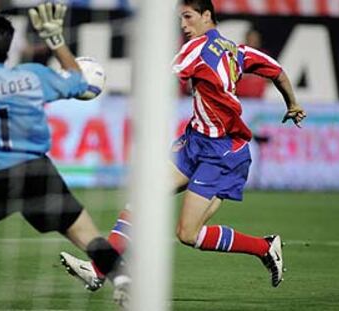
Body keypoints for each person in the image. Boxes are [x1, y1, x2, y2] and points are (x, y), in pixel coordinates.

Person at [60, 0, 306, 290]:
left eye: (188, 17)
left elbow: (160, 78)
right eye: (180, 19)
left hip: (222, 153)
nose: (183, 25)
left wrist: (94, 80)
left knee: (188, 234)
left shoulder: (197, 49)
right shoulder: (235, 50)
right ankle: (99, 270)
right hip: (195, 142)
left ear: (206, 16)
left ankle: (265, 248)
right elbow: (276, 70)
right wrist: (293, 103)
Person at [0, 3, 130, 308]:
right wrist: (57, 42)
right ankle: (121, 277)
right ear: (9, 46)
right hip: (36, 173)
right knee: (86, 234)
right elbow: (81, 82)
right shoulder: (33, 76)